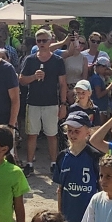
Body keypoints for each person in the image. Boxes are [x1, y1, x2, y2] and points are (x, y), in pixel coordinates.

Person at [18, 30, 66, 171]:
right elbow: (21, 80)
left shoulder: (58, 60)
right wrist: (34, 77)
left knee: (52, 135)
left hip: (51, 103)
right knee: (31, 135)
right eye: (39, 41)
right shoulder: (30, 60)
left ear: (50, 42)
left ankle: (53, 164)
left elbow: (63, 84)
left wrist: (63, 104)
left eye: (44, 40)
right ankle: (29, 164)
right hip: (33, 102)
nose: (41, 43)